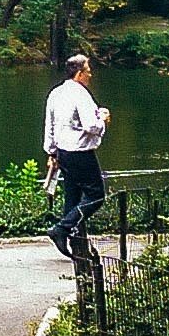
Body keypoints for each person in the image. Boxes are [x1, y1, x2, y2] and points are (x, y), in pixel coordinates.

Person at [43, 53, 110, 270]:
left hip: (63, 152)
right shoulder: (81, 95)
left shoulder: (56, 93)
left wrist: (52, 152)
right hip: (80, 152)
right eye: (88, 70)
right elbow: (91, 125)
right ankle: (62, 229)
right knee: (96, 195)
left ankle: (75, 242)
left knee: (73, 196)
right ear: (79, 73)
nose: (91, 74)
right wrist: (103, 119)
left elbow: (50, 125)